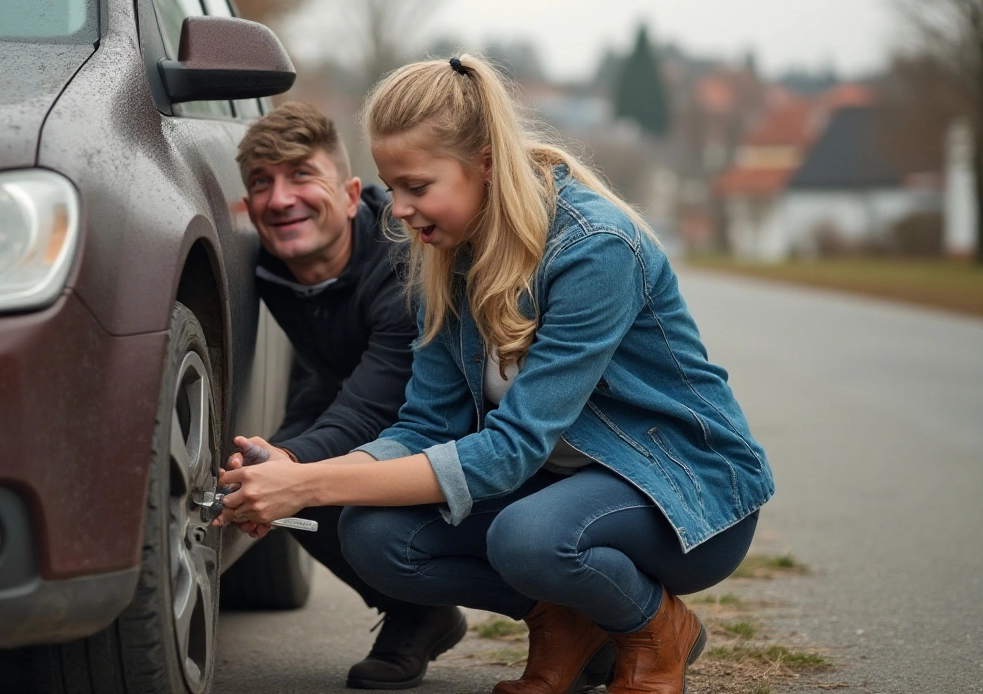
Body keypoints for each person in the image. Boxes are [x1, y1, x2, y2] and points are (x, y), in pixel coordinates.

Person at [214, 55, 775, 694]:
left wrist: (308, 484)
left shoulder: (594, 247)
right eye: (391, 186)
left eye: (417, 187)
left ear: (484, 161)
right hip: (556, 493)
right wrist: (300, 476)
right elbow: (424, 424)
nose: (396, 209)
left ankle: (655, 629)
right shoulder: (441, 258)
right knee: (372, 534)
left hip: (679, 496)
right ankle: (563, 618)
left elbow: (511, 451)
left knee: (528, 538)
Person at [230, 101, 467, 690]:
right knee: (272, 472)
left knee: (299, 476)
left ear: (352, 194)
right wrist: (273, 461)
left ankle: (563, 617)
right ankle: (419, 614)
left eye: (301, 176)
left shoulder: (404, 264)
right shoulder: (260, 261)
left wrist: (289, 467)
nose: (280, 198)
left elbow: (371, 408)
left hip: (444, 409)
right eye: (262, 183)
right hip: (342, 382)